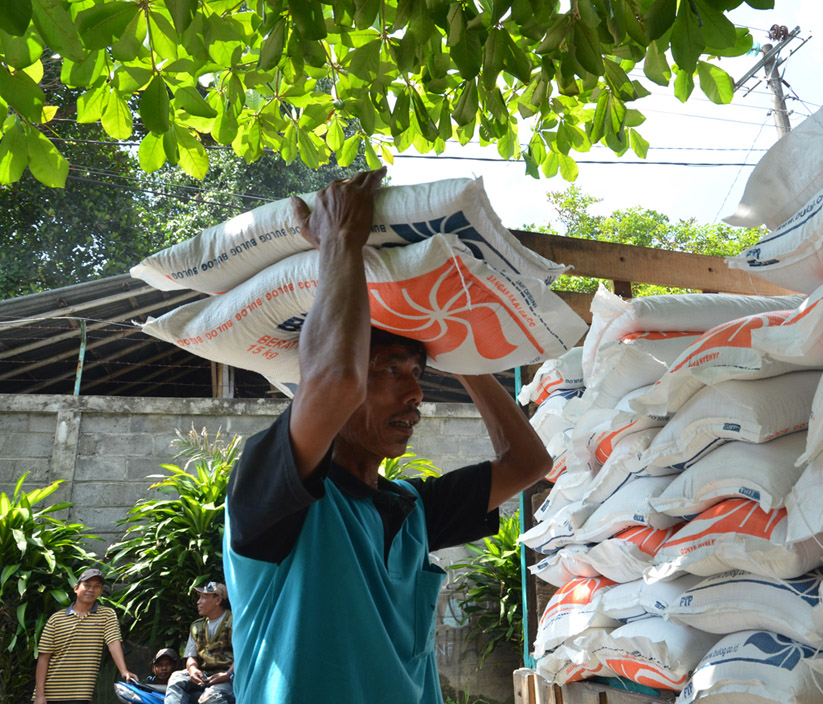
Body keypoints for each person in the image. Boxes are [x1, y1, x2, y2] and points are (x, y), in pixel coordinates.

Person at [223, 167, 552, 702]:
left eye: (418, 375)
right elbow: (334, 382)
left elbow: (528, 463)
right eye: (389, 370)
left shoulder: (412, 509)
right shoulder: (274, 489)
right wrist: (338, 242)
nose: (415, 394)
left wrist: (459, 351)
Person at [34, 567, 138, 704]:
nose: (91, 590)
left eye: (96, 587)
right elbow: (43, 658)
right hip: (50, 694)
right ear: (76, 588)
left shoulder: (107, 615)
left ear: (101, 591)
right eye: (87, 585)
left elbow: (113, 642)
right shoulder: (56, 619)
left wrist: (124, 671)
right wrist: (40, 695)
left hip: (80, 694)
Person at [164, 583, 234, 704]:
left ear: (218, 600)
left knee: (209, 699)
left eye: (203, 597)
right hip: (204, 674)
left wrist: (227, 674)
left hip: (227, 677)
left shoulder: (234, 623)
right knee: (176, 678)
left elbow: (243, 657)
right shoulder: (197, 626)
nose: (198, 602)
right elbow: (191, 656)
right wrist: (193, 670)